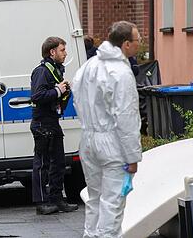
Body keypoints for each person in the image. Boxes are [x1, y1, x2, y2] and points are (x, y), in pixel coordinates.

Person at [72, 21, 142, 238]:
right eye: (138, 40)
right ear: (126, 44)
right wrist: (132, 156)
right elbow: (126, 117)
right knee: (112, 203)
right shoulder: (121, 72)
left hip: (88, 139)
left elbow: (77, 95)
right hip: (112, 143)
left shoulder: (90, 65)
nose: (139, 43)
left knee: (94, 199)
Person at [30, 36, 79, 215]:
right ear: (52, 52)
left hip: (52, 122)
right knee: (42, 164)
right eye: (62, 50)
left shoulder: (55, 70)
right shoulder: (42, 71)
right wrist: (58, 90)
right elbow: (37, 96)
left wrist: (64, 91)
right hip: (42, 123)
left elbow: (54, 96)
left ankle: (57, 199)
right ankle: (42, 202)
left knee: (58, 163)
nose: (65, 54)